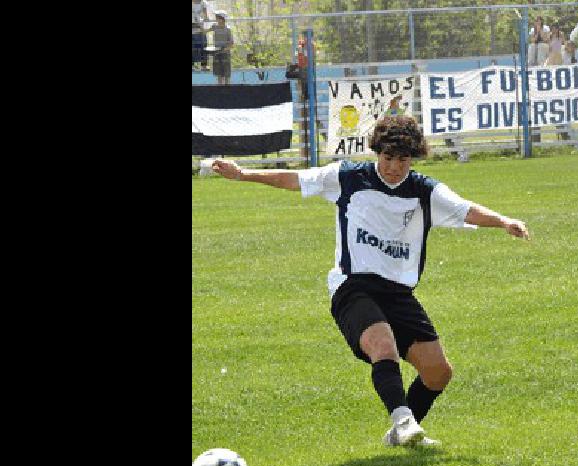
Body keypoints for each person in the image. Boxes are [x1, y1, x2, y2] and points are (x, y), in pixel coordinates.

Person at [208, 115, 531, 447]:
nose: (393, 166)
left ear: (412, 158)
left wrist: (504, 221)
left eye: (402, 159)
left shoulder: (424, 191)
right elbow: (294, 179)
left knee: (438, 372)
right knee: (383, 346)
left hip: (397, 292)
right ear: (377, 152)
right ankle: (403, 421)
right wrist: (244, 174)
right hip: (353, 287)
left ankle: (399, 434)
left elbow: (466, 210)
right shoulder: (347, 177)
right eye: (387, 157)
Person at [208, 10, 234, 84]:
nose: (216, 19)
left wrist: (224, 49)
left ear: (222, 19)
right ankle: (219, 90)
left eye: (218, 18)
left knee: (226, 74)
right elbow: (205, 31)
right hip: (216, 54)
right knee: (218, 74)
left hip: (225, 54)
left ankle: (227, 89)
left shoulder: (228, 29)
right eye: (216, 17)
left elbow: (231, 44)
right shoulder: (215, 27)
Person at [192, 0, 213, 70]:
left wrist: (206, 18)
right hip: (194, 29)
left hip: (200, 30)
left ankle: (204, 66)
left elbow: (205, 15)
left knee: (203, 47)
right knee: (193, 49)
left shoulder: (203, 3)